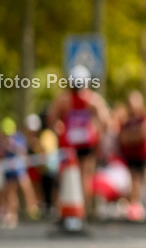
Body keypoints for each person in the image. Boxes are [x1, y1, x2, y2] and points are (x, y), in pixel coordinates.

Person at [47, 65, 110, 219]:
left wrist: (59, 129)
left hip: (72, 144)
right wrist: (96, 128)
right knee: (83, 176)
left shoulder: (64, 100)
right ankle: (83, 209)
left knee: (68, 176)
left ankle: (72, 209)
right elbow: (106, 121)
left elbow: (51, 119)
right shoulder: (93, 100)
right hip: (82, 144)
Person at [119, 90, 146, 222]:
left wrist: (133, 136)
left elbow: (145, 132)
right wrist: (135, 136)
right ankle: (136, 206)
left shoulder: (145, 116)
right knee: (133, 179)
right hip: (131, 154)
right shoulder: (125, 120)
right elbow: (123, 138)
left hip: (144, 153)